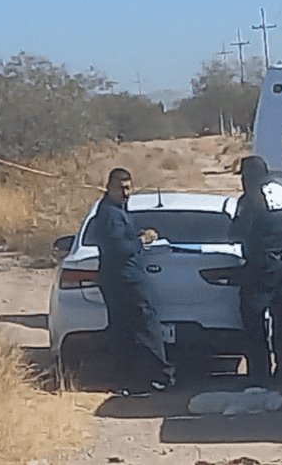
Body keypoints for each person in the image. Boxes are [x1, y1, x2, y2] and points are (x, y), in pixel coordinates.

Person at [91, 167, 175, 396]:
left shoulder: (119, 210)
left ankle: (128, 380)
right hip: (124, 279)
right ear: (109, 187)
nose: (126, 192)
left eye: (129, 188)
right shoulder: (110, 214)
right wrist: (143, 240)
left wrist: (140, 234)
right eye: (121, 188)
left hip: (120, 277)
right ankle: (160, 375)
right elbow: (119, 247)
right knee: (145, 326)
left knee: (124, 330)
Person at [229, 155, 282, 386]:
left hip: (261, 267)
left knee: (253, 319)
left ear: (249, 176)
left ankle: (260, 372)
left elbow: (237, 233)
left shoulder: (250, 199)